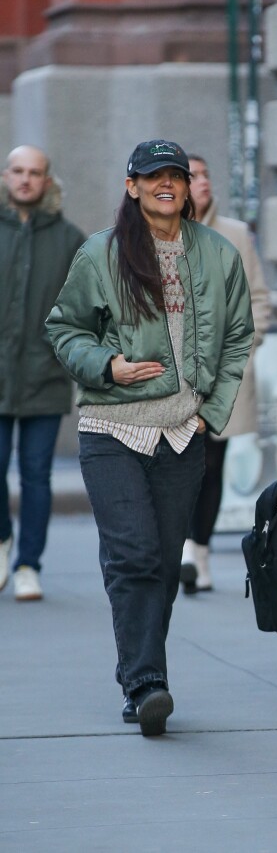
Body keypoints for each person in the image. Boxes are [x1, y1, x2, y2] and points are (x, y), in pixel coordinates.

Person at [46, 139, 254, 736]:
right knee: (134, 554)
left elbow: (238, 335)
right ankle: (147, 683)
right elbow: (64, 330)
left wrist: (210, 413)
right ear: (131, 186)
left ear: (188, 189)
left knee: (162, 564)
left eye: (177, 176)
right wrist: (105, 366)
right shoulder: (100, 254)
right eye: (153, 176)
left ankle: (136, 672)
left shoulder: (219, 254)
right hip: (112, 428)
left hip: (183, 434)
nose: (167, 184)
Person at [180, 154, 271, 593]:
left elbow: (258, 299)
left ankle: (198, 552)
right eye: (191, 175)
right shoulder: (157, 231)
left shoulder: (235, 234)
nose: (202, 182)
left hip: (225, 372)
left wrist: (245, 349)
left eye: (205, 173)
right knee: (180, 462)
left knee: (211, 462)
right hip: (172, 374)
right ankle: (180, 547)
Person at [0, 145, 85, 601]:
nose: (26, 179)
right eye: (18, 171)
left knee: (36, 474)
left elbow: (85, 309)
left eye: (35, 172)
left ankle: (29, 563)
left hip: (45, 375)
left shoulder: (71, 239)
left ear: (47, 181)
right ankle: (1, 539)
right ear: (5, 176)